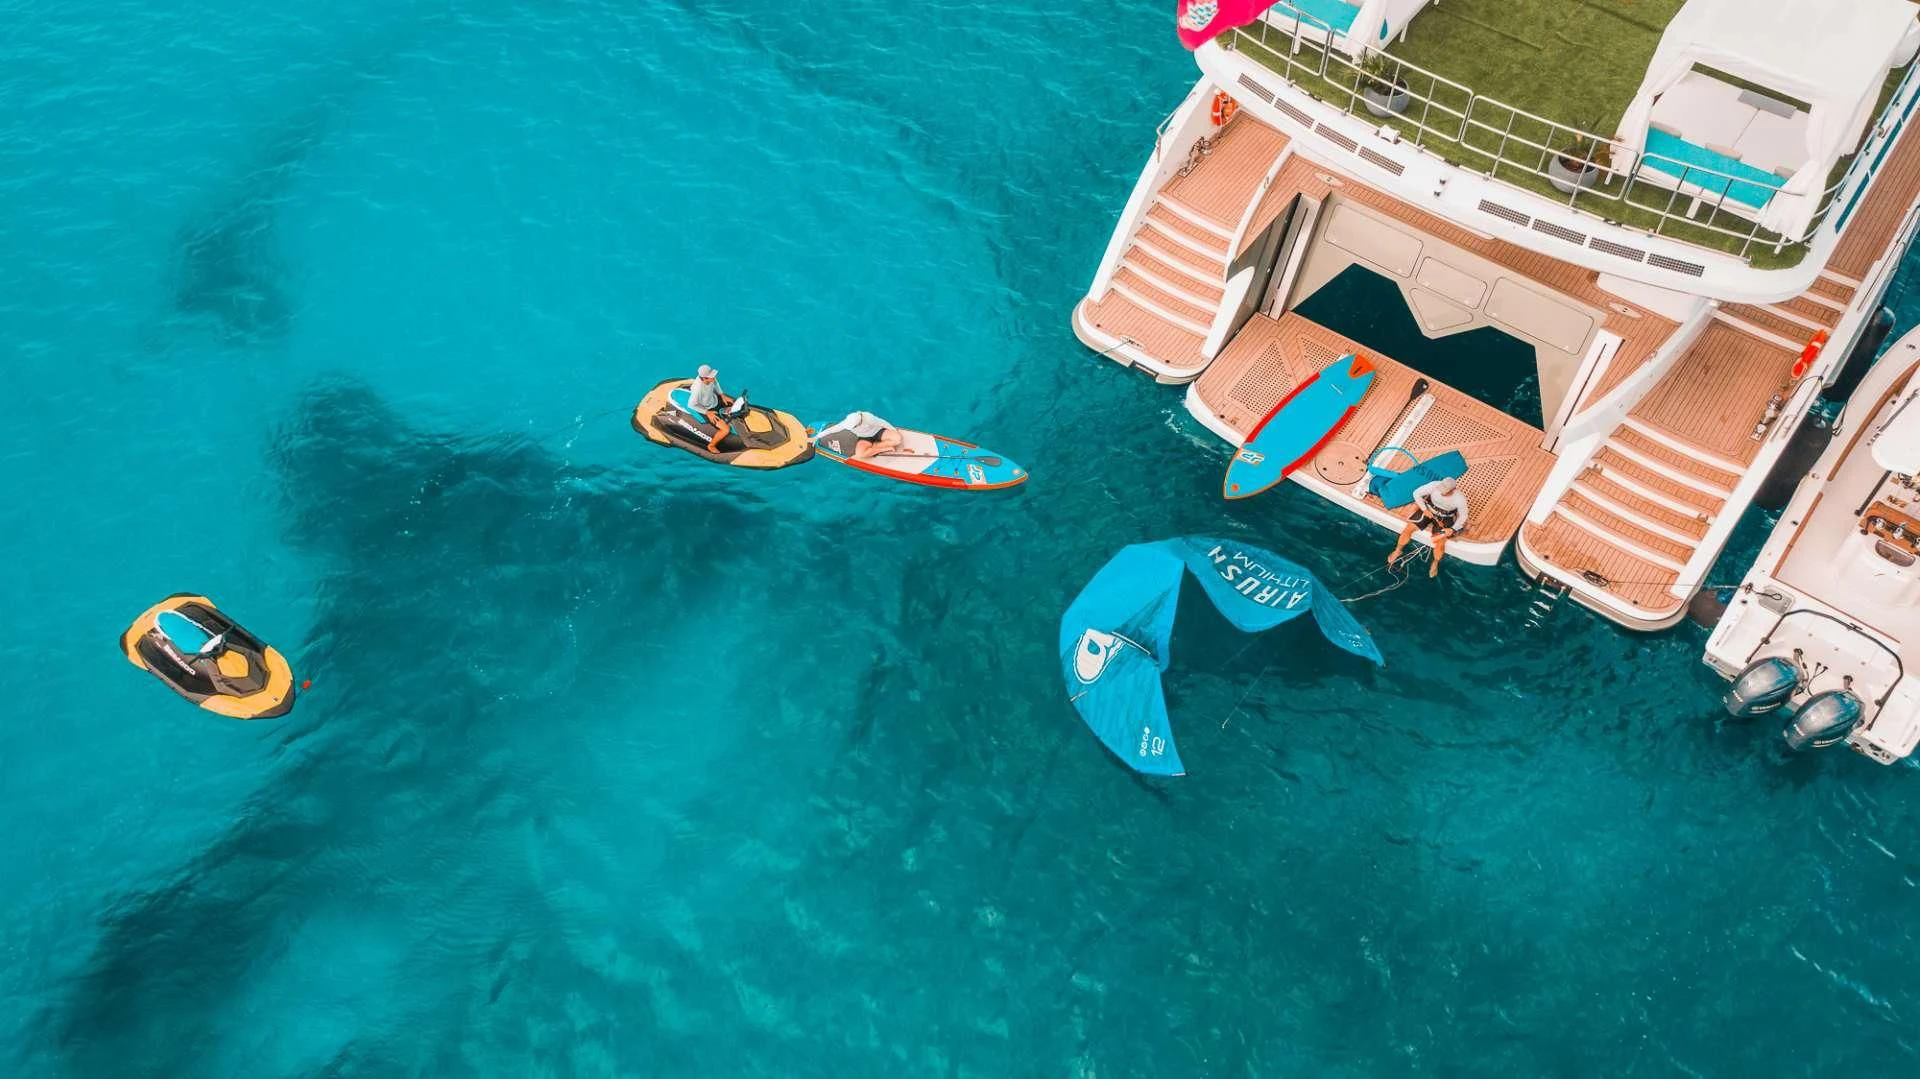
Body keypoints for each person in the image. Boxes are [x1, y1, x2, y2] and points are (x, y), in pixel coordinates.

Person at [1388, 474, 1470, 578]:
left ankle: (1435, 563)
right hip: (1428, 510)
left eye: (1445, 491)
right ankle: (1398, 550)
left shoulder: (1460, 499)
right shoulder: (1434, 485)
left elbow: (1463, 516)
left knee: (1440, 542)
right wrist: (1424, 509)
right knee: (1408, 528)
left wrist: (1453, 529)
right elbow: (1416, 493)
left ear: (1453, 490)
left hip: (1446, 517)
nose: (1441, 491)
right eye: (1441, 488)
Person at [808, 411, 904, 461]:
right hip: (864, 438)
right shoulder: (847, 422)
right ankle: (882, 448)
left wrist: (893, 430)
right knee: (861, 454)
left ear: (859, 423)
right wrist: (816, 437)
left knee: (898, 439)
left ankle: (874, 447)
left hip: (878, 432)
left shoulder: (868, 417)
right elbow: (833, 429)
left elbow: (882, 422)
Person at [682, 364, 735, 453]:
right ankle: (711, 445)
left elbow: (716, 383)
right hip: (706, 409)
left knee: (733, 403)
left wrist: (722, 395)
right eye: (711, 377)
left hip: (713, 401)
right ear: (704, 378)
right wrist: (707, 413)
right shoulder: (698, 389)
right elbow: (691, 405)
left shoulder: (711, 379)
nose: (714, 378)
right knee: (726, 429)